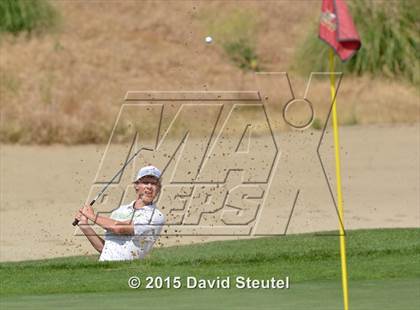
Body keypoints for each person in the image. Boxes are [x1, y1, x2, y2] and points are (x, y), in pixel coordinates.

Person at [75, 165, 165, 261]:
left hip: (128, 271)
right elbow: (105, 249)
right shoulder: (120, 211)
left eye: (154, 183)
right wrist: (84, 225)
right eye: (145, 182)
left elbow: (119, 228)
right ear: (136, 186)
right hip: (104, 269)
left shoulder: (155, 216)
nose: (149, 187)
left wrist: (92, 216)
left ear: (158, 189)